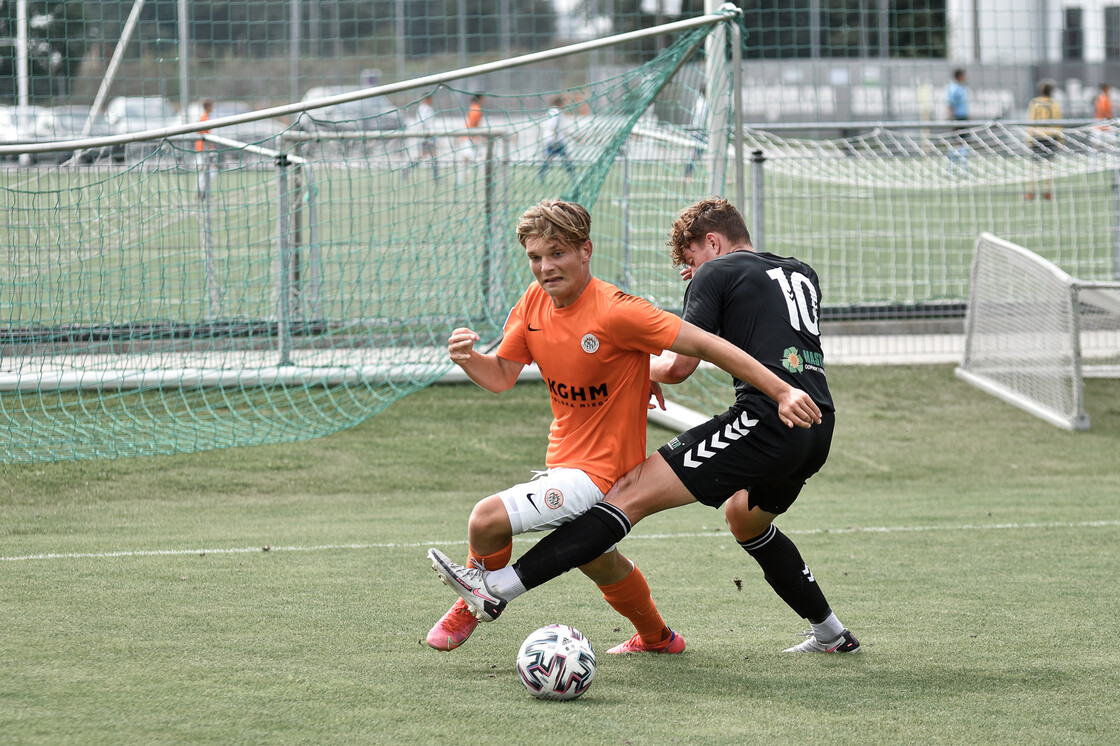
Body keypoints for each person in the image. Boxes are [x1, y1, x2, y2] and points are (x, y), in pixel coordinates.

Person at [430, 197, 860, 655]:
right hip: (817, 423)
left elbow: (691, 357)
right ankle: (829, 633)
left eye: (690, 258)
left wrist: (777, 392)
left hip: (770, 415)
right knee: (742, 520)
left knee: (624, 495)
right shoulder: (798, 272)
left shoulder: (684, 284)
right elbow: (501, 374)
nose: (689, 270)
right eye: (536, 257)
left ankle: (495, 589)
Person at [1026, 79, 1063, 201]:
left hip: (1037, 136)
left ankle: (1031, 191)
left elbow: (1031, 121)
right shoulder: (1054, 103)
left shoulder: (1034, 102)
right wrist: (1060, 138)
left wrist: (1029, 137)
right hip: (1050, 136)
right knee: (1049, 165)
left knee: (1034, 166)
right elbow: (1058, 122)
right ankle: (1047, 191)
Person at [537, 96, 575, 180]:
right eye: (563, 102)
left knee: (558, 158)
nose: (565, 104)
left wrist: (573, 136)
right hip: (554, 140)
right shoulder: (555, 111)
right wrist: (554, 140)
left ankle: (541, 174)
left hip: (557, 139)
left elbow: (561, 128)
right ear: (559, 102)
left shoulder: (559, 112)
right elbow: (553, 126)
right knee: (556, 158)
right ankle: (573, 175)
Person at [404, 94, 439, 181]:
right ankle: (407, 168)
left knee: (428, 156)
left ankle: (407, 169)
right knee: (428, 156)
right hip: (426, 137)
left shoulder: (427, 108)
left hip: (429, 136)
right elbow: (421, 123)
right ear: (427, 99)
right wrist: (424, 137)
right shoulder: (424, 109)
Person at [457, 93, 484, 186]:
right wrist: (474, 138)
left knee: (465, 159)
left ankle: (460, 182)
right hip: (469, 138)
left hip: (467, 137)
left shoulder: (473, 108)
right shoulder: (476, 109)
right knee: (478, 159)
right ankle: (486, 179)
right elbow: (472, 124)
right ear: (479, 99)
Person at [946, 69, 969, 175]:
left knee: (963, 143)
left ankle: (963, 168)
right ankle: (950, 168)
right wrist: (953, 119)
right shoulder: (953, 88)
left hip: (964, 118)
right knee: (958, 142)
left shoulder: (962, 87)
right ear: (959, 76)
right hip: (957, 118)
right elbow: (950, 104)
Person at [684, 86, 707, 181]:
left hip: (701, 132)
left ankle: (687, 174)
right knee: (695, 155)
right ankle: (687, 175)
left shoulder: (701, 102)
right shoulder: (703, 104)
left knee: (697, 155)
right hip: (699, 132)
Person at [1092, 83, 1113, 149]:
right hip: (1102, 123)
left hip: (1104, 123)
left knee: (1110, 142)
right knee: (1100, 143)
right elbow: (1102, 111)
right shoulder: (1102, 98)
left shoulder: (1105, 98)